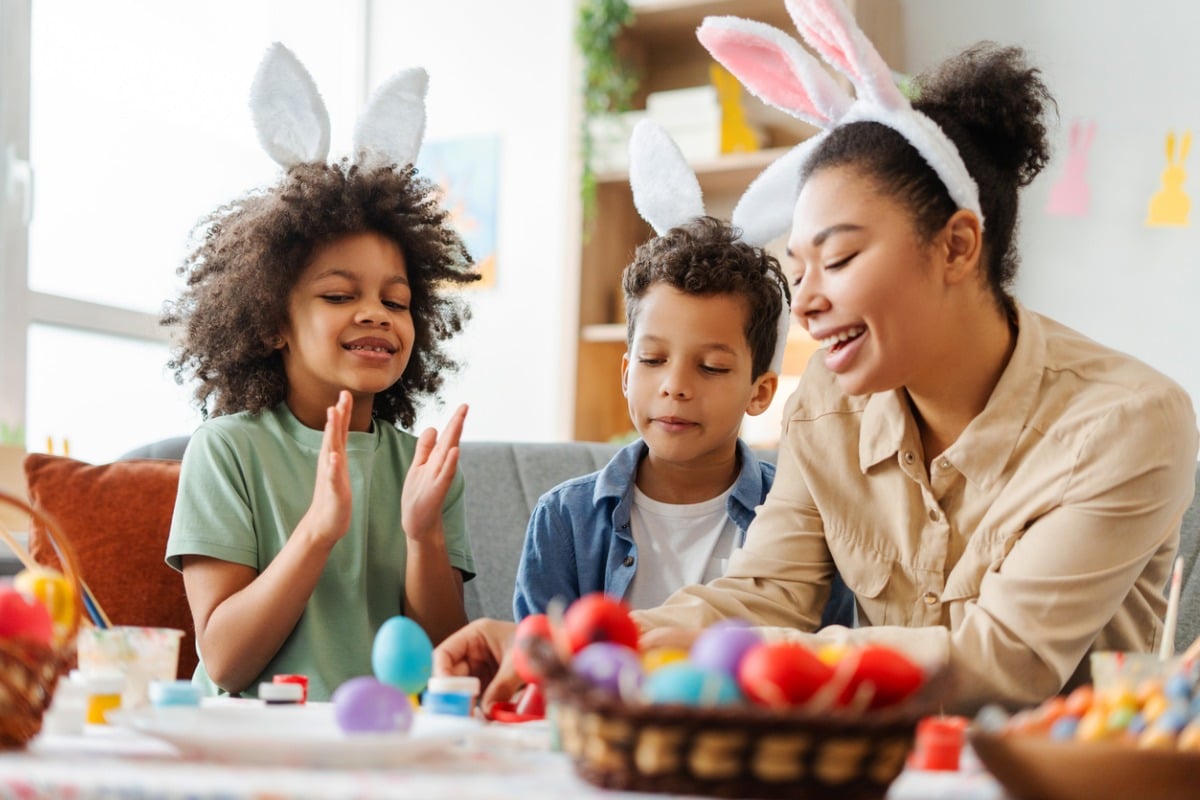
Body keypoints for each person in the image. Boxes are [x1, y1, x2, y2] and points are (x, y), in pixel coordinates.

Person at [435, 15, 1197, 714]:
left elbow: (1003, 662)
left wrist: (737, 659)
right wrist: (576, 646)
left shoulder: (1127, 421)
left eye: (837, 258)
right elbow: (764, 593)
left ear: (958, 246)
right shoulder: (827, 405)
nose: (805, 304)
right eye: (798, 269)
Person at [164, 44, 479, 702]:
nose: (376, 314)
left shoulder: (416, 466)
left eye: (395, 301)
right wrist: (318, 530)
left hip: (381, 744)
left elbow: (451, 661)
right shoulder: (229, 451)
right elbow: (223, 661)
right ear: (272, 322)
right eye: (340, 296)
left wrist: (423, 536)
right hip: (254, 750)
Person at [513, 215, 853, 626]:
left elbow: (817, 664)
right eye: (653, 360)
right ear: (626, 375)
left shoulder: (802, 524)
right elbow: (539, 666)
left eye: (711, 367)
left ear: (759, 392)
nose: (675, 386)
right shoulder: (564, 518)